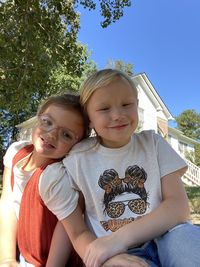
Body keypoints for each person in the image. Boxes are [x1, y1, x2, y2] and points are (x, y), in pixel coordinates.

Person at [60, 69, 200, 267]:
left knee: (192, 245)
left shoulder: (153, 143)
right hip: (115, 254)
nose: (118, 115)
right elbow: (76, 229)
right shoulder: (78, 159)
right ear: (89, 118)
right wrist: (105, 257)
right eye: (104, 109)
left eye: (127, 104)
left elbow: (178, 207)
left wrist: (118, 239)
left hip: (168, 236)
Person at [0, 93, 89, 267]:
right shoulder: (15, 152)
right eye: (47, 122)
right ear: (38, 118)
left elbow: (67, 230)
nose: (51, 134)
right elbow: (7, 204)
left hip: (48, 258)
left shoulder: (57, 177)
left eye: (66, 135)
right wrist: (7, 258)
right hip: (20, 247)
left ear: (77, 146)